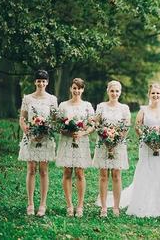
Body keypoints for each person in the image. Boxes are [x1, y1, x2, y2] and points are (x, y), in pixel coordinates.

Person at [120, 83, 160, 217]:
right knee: (146, 171)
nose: (155, 95)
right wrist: (147, 139)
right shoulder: (143, 110)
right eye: (153, 93)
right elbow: (137, 127)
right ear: (149, 95)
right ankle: (144, 202)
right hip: (146, 148)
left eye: (158, 93)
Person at [18, 69, 58, 216]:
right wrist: (28, 132)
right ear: (35, 82)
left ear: (47, 82)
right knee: (31, 169)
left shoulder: (52, 99)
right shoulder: (28, 98)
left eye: (44, 81)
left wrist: (45, 131)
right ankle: (30, 203)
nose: (41, 83)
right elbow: (22, 118)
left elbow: (55, 120)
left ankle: (42, 204)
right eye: (39, 81)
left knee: (43, 170)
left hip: (46, 138)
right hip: (31, 137)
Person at [55, 78, 94, 218]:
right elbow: (58, 124)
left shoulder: (88, 105)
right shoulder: (63, 105)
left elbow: (92, 125)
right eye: (74, 88)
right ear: (70, 89)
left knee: (79, 172)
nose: (77, 91)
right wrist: (67, 131)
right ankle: (69, 205)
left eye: (79, 88)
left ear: (83, 89)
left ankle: (80, 205)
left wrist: (82, 132)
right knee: (67, 172)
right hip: (67, 141)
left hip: (81, 142)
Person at [92, 80, 131, 217]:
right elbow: (96, 123)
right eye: (112, 91)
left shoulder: (124, 108)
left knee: (116, 175)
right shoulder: (101, 106)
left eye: (117, 91)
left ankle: (115, 206)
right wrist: (104, 136)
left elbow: (126, 127)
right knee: (103, 176)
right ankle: (103, 207)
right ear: (108, 91)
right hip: (103, 143)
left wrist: (116, 141)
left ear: (120, 92)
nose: (114, 93)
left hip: (118, 145)